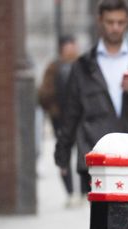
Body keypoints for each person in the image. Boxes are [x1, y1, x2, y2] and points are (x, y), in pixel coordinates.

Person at [54, 0, 128, 196]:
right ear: (100, 20)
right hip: (95, 157)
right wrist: (62, 156)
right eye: (110, 22)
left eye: (120, 22)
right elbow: (71, 112)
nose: (115, 28)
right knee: (97, 223)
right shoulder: (83, 65)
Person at [38, 35, 80, 206]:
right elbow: (43, 94)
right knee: (64, 156)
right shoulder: (53, 67)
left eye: (73, 45)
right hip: (61, 120)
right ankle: (70, 192)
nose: (71, 49)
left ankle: (85, 191)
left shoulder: (83, 65)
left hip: (81, 119)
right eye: (68, 46)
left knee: (85, 154)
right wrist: (54, 110)